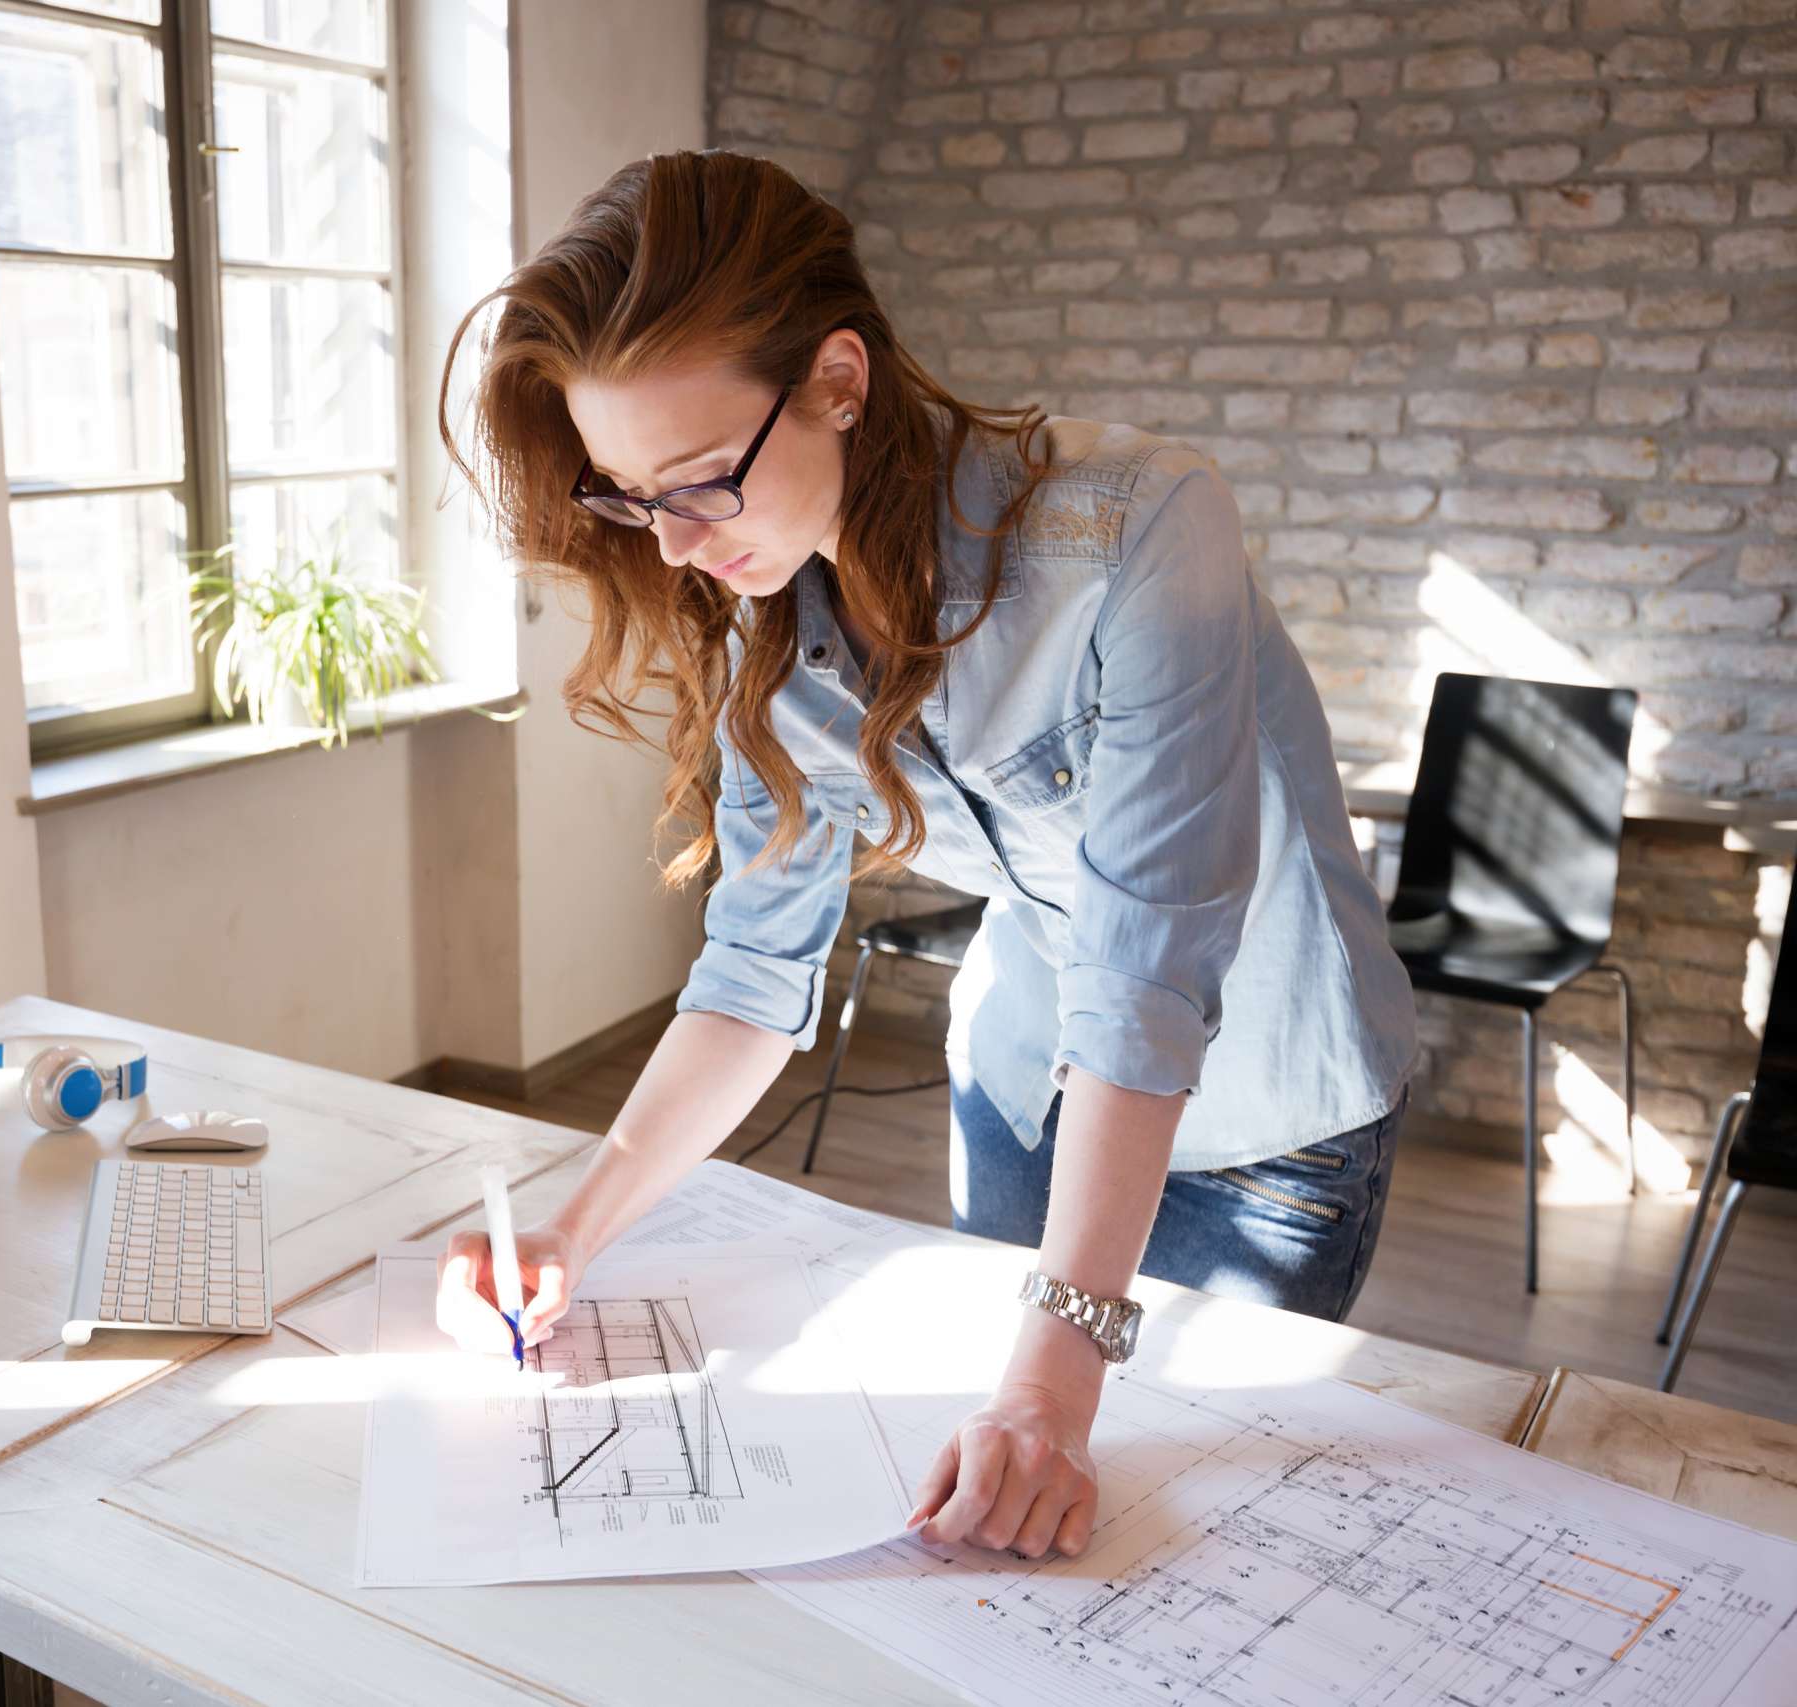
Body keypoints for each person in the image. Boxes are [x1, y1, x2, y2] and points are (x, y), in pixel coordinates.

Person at [429, 149, 1417, 1564]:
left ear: (839, 378)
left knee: (1171, 1536)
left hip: (1266, 1109)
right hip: (1023, 1083)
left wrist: (1052, 1379)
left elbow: (1148, 972)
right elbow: (753, 971)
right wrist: (572, 1234)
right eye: (631, 498)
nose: (678, 546)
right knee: (986, 1544)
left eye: (702, 482)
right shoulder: (759, 608)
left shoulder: (1143, 525)